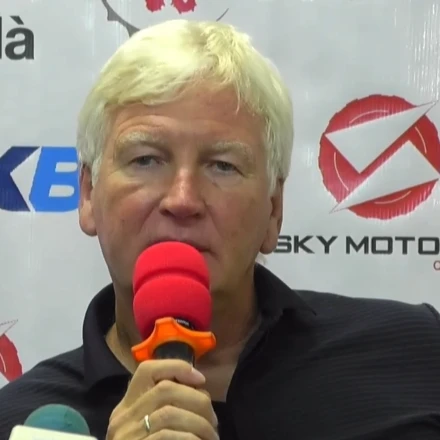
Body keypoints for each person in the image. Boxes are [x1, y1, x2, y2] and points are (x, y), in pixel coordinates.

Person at [1, 18, 440, 440]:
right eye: (146, 160)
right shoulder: (18, 423)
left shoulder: (414, 355)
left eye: (222, 166)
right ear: (88, 193)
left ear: (274, 209)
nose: (182, 199)